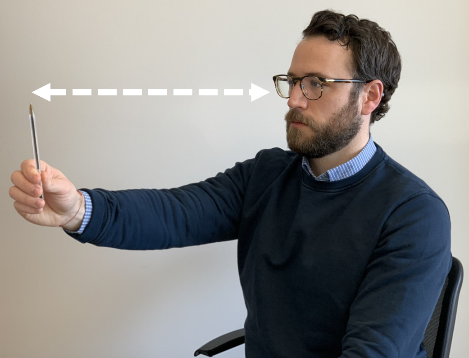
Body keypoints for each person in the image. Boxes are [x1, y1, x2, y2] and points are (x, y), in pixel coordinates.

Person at [10, 9, 451, 358]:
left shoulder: (413, 215)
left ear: (369, 97)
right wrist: (76, 210)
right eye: (294, 81)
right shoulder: (266, 176)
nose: (295, 99)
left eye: (316, 84)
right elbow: (174, 214)